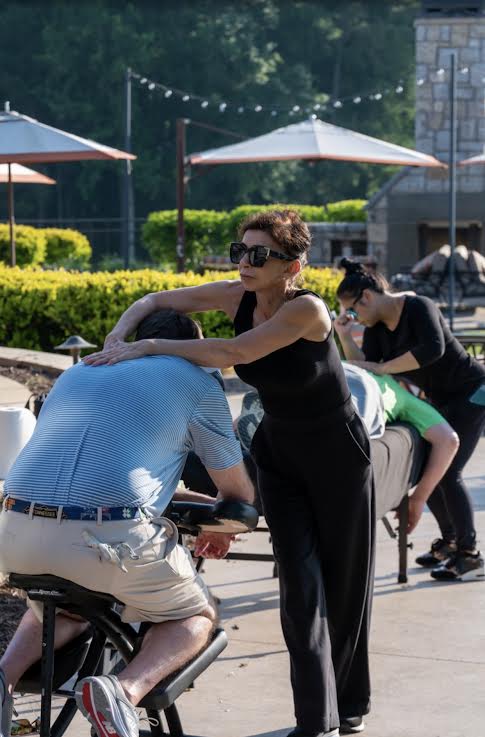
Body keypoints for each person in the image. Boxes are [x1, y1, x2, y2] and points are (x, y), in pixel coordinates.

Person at [84, 209, 375, 737]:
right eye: (240, 250)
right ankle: (315, 722)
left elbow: (232, 351)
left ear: (294, 265)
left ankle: (349, 705)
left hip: (337, 451)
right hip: (279, 452)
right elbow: (156, 301)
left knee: (344, 583)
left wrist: (149, 345)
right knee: (299, 586)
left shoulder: (307, 309)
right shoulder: (237, 294)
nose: (244, 262)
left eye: (259, 254)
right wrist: (121, 332)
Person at [0, 308, 254, 737]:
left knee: (58, 606)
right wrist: (217, 519)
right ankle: (121, 691)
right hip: (105, 541)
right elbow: (239, 494)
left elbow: (97, 475)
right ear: (192, 345)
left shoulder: (81, 371)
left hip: (15, 530)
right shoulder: (197, 382)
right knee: (196, 614)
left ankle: (3, 677)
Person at [334, 258, 485, 582]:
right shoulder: (374, 329)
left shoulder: (418, 306)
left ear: (368, 297)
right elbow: (367, 366)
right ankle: (450, 543)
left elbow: (434, 348)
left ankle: (469, 553)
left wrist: (386, 368)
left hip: (473, 391)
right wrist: (345, 336)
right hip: (440, 398)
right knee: (431, 469)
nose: (354, 317)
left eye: (353, 311)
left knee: (450, 470)